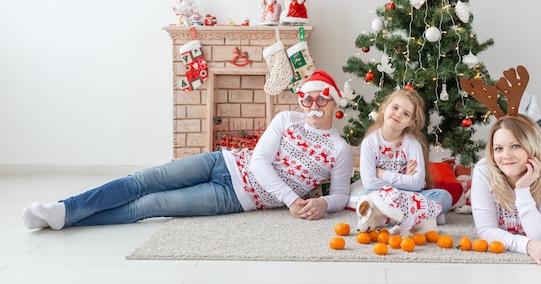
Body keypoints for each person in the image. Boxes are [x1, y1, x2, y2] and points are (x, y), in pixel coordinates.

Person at [21, 70, 354, 230]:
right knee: (142, 179)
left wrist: (323, 202)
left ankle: (66, 220)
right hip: (221, 161)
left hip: (235, 198)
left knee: (149, 205)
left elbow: (340, 196)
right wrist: (292, 199)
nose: (313, 104)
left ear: (333, 102)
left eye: (321, 98)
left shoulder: (338, 150)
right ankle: (64, 209)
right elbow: (259, 161)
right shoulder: (286, 119)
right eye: (307, 97)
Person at [471, 92, 541, 265]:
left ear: (529, 148)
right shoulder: (483, 170)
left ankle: (537, 120)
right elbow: (486, 230)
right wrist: (526, 245)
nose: (506, 156)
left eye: (515, 145)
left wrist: (523, 190)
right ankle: (523, 121)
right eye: (498, 148)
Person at [357, 89, 452, 223]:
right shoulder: (370, 142)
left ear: (410, 122)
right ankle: (422, 217)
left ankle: (391, 218)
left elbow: (417, 184)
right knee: (362, 197)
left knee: (444, 197)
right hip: (384, 195)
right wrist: (406, 180)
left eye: (406, 113)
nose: (398, 114)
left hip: (410, 196)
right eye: (395, 107)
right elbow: (369, 183)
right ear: (384, 108)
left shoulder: (412, 144)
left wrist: (382, 173)